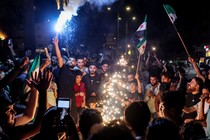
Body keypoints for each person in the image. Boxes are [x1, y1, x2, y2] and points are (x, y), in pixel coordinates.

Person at [0, 69, 52, 139]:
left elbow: (28, 116)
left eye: (12, 108)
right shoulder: (10, 135)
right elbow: (38, 126)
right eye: (8, 111)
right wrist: (43, 92)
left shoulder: (6, 124)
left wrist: (34, 90)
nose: (14, 112)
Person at [53, 37, 78, 122]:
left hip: (72, 97)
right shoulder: (63, 68)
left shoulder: (76, 72)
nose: (71, 61)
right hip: (62, 96)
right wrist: (56, 44)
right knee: (62, 116)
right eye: (69, 60)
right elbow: (59, 57)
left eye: (73, 61)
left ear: (76, 63)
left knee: (72, 116)